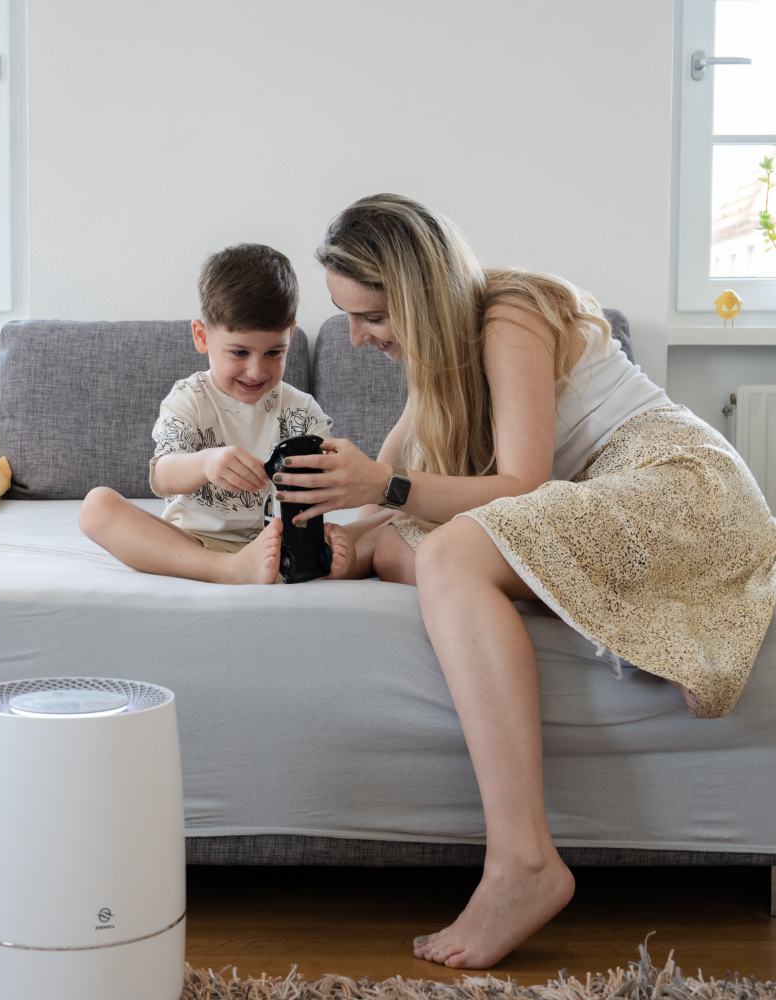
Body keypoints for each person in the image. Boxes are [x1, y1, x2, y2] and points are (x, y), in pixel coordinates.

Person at [269, 194, 776, 968]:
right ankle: (523, 857)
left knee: (442, 552)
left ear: (417, 293)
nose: (358, 338)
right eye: (347, 316)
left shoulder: (509, 314)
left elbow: (519, 484)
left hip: (680, 484)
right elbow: (387, 489)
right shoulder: (435, 368)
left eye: (371, 316)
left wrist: (386, 492)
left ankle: (524, 861)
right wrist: (336, 533)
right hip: (603, 501)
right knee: (412, 548)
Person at [79, 242, 355, 584]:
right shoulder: (190, 398)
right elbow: (163, 476)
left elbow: (327, 485)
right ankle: (223, 569)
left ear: (290, 337)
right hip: (194, 543)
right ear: (202, 336)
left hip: (278, 543)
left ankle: (304, 562)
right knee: (97, 507)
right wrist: (206, 462)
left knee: (374, 528)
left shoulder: (301, 410)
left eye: (274, 352)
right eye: (239, 352)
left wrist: (324, 515)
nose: (256, 371)